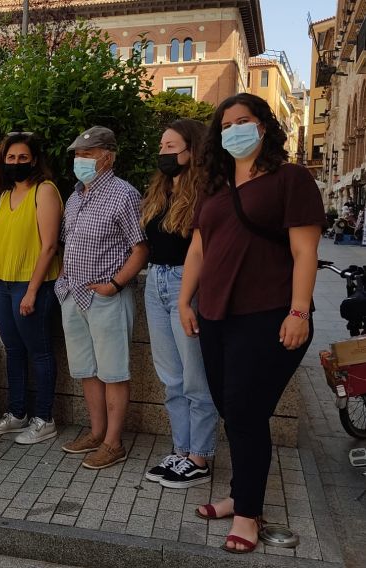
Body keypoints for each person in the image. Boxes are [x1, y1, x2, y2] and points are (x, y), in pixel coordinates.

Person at [178, 93, 324, 553]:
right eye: (226, 124)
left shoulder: (291, 179)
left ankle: (246, 515)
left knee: (244, 412)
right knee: (231, 410)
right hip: (215, 315)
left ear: (264, 127)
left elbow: (305, 252)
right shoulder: (215, 189)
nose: (234, 130)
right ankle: (243, 495)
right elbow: (199, 249)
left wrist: (299, 311)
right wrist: (185, 301)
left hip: (268, 315)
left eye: (244, 120)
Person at [57, 126, 148, 469]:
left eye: (88, 154)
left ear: (108, 157)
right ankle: (96, 433)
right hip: (72, 294)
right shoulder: (75, 195)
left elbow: (140, 249)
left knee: (113, 372)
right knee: (86, 370)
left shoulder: (124, 194)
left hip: (106, 297)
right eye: (78, 154)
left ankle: (113, 443)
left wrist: (115, 283)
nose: (80, 160)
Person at [139, 120, 218, 488]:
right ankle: (181, 450)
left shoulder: (206, 192)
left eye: (172, 147)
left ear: (193, 150)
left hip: (188, 286)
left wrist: (187, 297)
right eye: (162, 146)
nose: (164, 153)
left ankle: (199, 457)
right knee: (171, 377)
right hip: (155, 281)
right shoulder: (159, 191)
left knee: (195, 377)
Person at [0, 133, 63, 445]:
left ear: (35, 159)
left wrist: (31, 291)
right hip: (3, 281)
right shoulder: (4, 195)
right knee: (13, 349)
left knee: (39, 351)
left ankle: (45, 418)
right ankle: (17, 414)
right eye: (11, 157)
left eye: (22, 157)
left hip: (33, 285)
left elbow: (50, 245)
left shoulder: (45, 191)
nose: (16, 163)